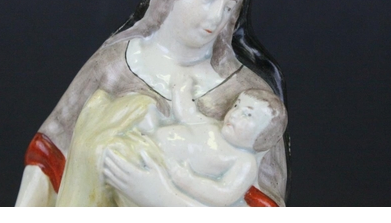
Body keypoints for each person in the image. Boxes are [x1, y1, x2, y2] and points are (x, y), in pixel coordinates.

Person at [15, 0, 290, 207]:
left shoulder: (250, 96)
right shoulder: (113, 65)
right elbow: (50, 155)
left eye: (230, 8)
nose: (217, 16)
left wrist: (162, 198)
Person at [101, 88, 287, 207]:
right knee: (142, 109)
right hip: (148, 143)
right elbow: (188, 114)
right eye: (236, 106)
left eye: (247, 115)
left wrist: (187, 180)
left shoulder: (244, 162)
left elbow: (223, 194)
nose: (235, 113)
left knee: (114, 159)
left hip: (158, 165)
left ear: (263, 137)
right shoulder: (213, 126)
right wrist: (181, 90)